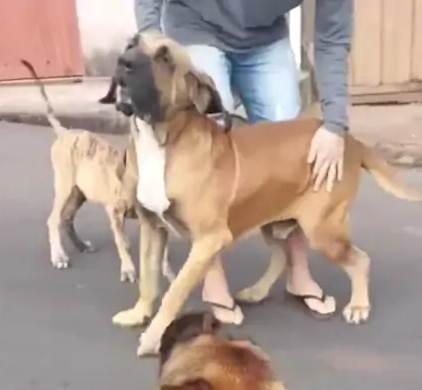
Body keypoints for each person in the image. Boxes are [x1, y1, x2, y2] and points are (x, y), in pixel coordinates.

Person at [135, 0, 353, 320]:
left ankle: (298, 272)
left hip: (265, 36)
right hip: (195, 24)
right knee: (209, 147)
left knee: (292, 155)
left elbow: (333, 38)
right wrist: (150, 33)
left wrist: (335, 125)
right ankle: (213, 278)